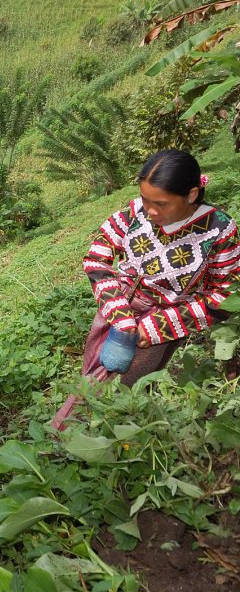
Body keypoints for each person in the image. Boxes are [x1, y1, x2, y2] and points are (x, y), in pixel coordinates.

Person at [52, 149, 240, 430]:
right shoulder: (134, 213)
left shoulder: (218, 230)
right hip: (117, 307)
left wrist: (158, 326)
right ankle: (89, 436)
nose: (150, 211)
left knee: (122, 386)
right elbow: (97, 256)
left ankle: (65, 437)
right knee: (94, 367)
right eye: (145, 200)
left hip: (162, 322)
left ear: (191, 195)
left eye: (161, 203)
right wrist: (119, 313)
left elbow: (227, 294)